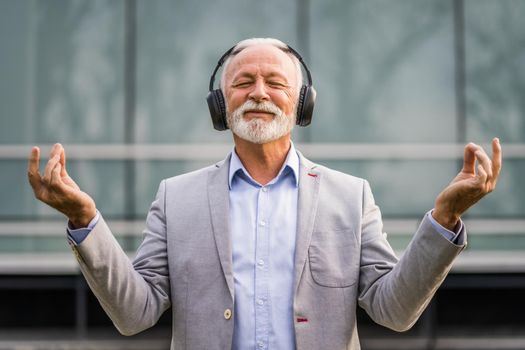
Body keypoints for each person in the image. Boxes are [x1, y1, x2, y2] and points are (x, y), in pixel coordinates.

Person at [27, 38, 502, 350]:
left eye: (275, 82)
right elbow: (136, 313)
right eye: (243, 82)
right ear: (221, 104)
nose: (259, 92)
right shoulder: (175, 198)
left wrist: (443, 219)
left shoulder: (350, 196)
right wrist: (84, 220)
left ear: (301, 104)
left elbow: (394, 310)